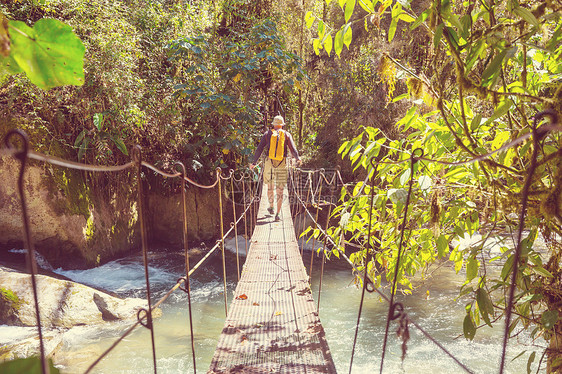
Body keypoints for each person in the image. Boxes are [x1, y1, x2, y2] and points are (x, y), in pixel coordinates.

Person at [249, 115, 301, 221]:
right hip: (282, 163)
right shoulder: (286, 135)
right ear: (282, 125)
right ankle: (277, 214)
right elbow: (293, 149)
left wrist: (254, 162)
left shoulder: (267, 134)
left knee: (270, 187)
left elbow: (259, 149)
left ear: (273, 124)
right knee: (280, 189)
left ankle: (271, 207)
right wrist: (298, 158)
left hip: (269, 162)